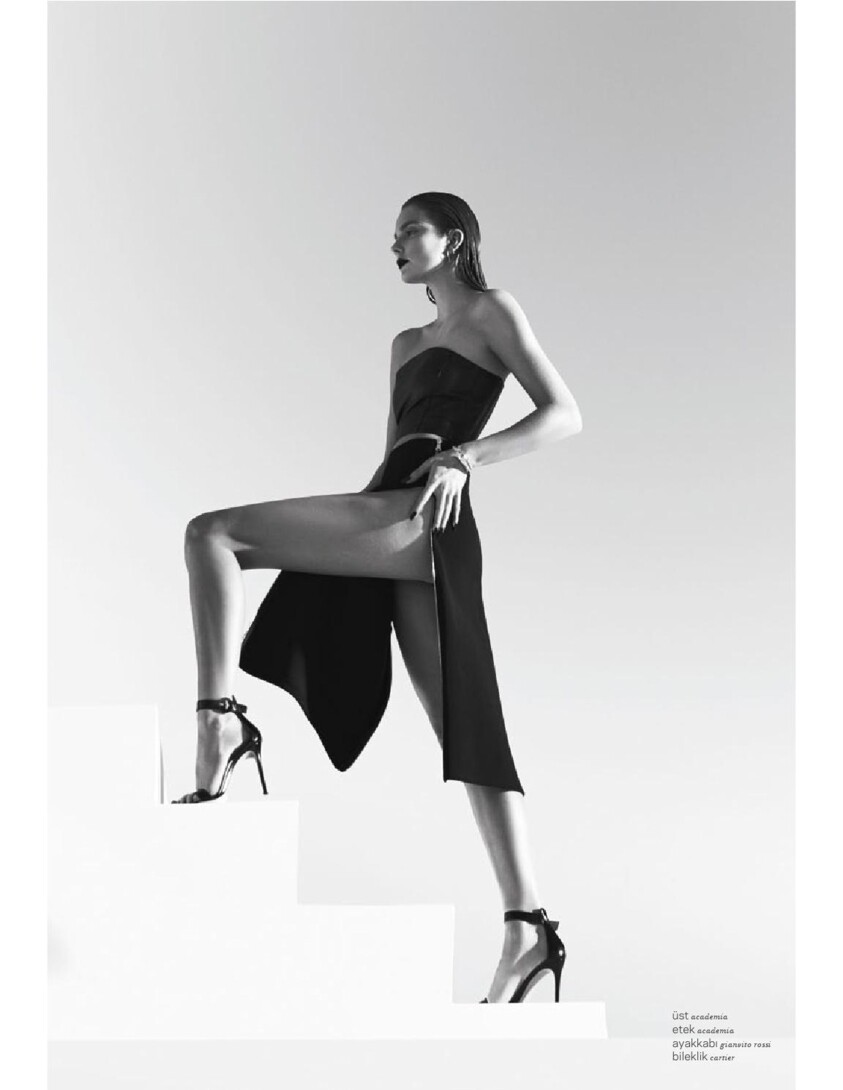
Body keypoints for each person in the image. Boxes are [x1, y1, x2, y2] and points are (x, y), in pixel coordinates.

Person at [172, 192, 583, 1003]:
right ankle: (527, 926)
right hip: (388, 514)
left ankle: (219, 720)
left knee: (211, 534)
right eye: (392, 235)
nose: (393, 243)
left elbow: (563, 415)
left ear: (452, 240)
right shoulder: (403, 343)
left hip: (430, 523)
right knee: (465, 733)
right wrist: (335, 543)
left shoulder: (492, 311)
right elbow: (392, 449)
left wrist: (467, 457)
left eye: (408, 231)